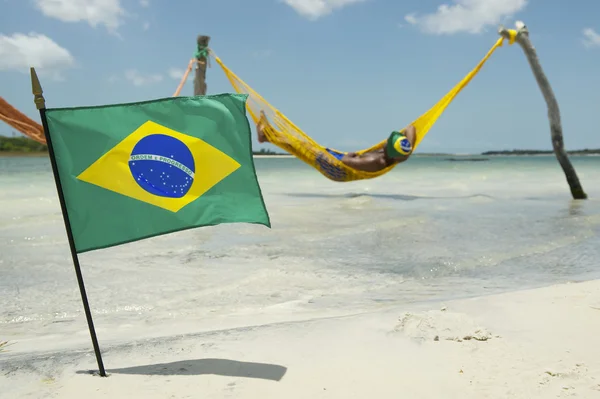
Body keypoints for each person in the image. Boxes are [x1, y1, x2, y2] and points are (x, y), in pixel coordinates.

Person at [255, 111, 417, 173]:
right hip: (344, 163)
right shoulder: (402, 154)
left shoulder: (374, 160)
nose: (384, 143)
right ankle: (269, 135)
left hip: (337, 168)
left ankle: (266, 136)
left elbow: (347, 161)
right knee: (304, 145)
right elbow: (411, 128)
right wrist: (405, 143)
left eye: (387, 143)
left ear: (389, 151)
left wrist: (353, 155)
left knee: (303, 147)